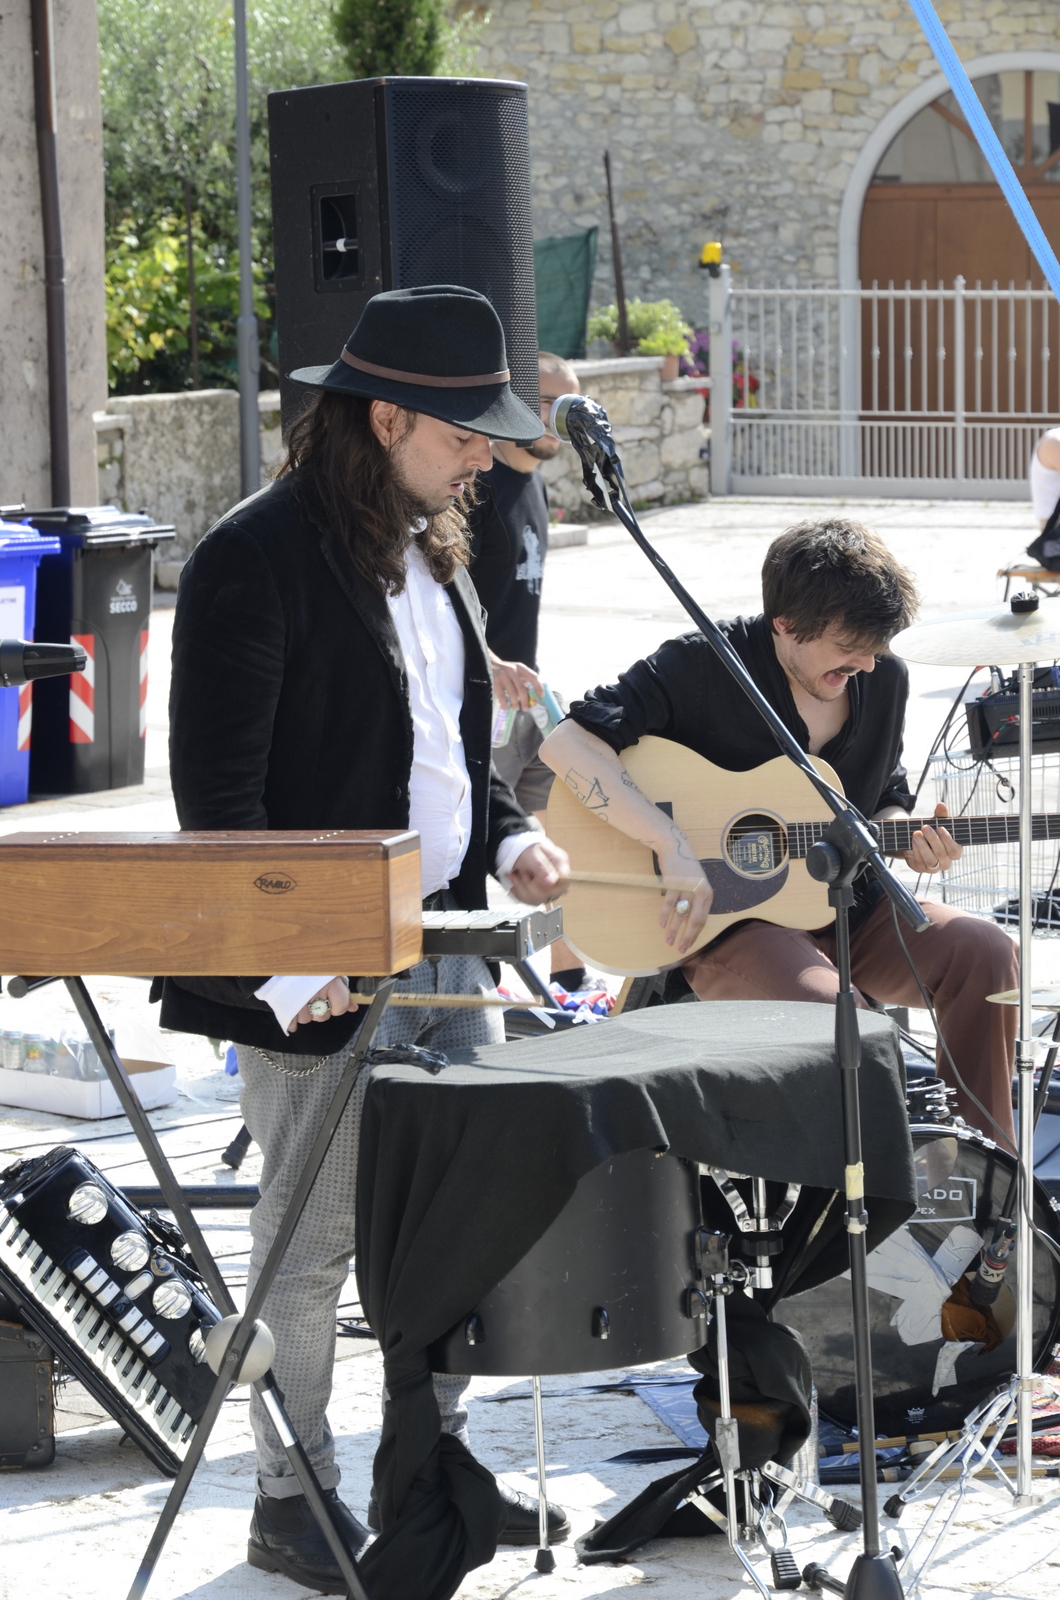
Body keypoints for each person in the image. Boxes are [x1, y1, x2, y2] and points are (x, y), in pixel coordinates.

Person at [160, 285, 571, 1592]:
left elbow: (450, 754)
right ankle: (292, 1501)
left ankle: (426, 1480)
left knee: (457, 1230)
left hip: (451, 947)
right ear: (384, 418)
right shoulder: (252, 556)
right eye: (461, 434)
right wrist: (289, 972)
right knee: (312, 1246)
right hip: (315, 968)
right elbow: (217, 801)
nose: (483, 458)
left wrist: (510, 836)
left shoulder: (439, 552)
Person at [540, 517, 1019, 1149]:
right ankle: (879, 1187)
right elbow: (568, 744)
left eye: (875, 647)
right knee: (845, 1023)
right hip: (730, 923)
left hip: (848, 906)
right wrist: (668, 843)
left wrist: (906, 836)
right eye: (848, 646)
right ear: (786, 624)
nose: (866, 663)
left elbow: (883, 794)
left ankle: (979, 1173)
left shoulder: (882, 677)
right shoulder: (704, 663)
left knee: (987, 952)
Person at [468, 350, 588, 989]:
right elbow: (439, 597)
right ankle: (477, 978)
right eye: (546, 401)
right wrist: (486, 665)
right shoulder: (475, 488)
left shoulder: (532, 481)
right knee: (486, 841)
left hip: (531, 702)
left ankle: (570, 977)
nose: (557, 417)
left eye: (569, 403)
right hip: (480, 703)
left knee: (570, 822)